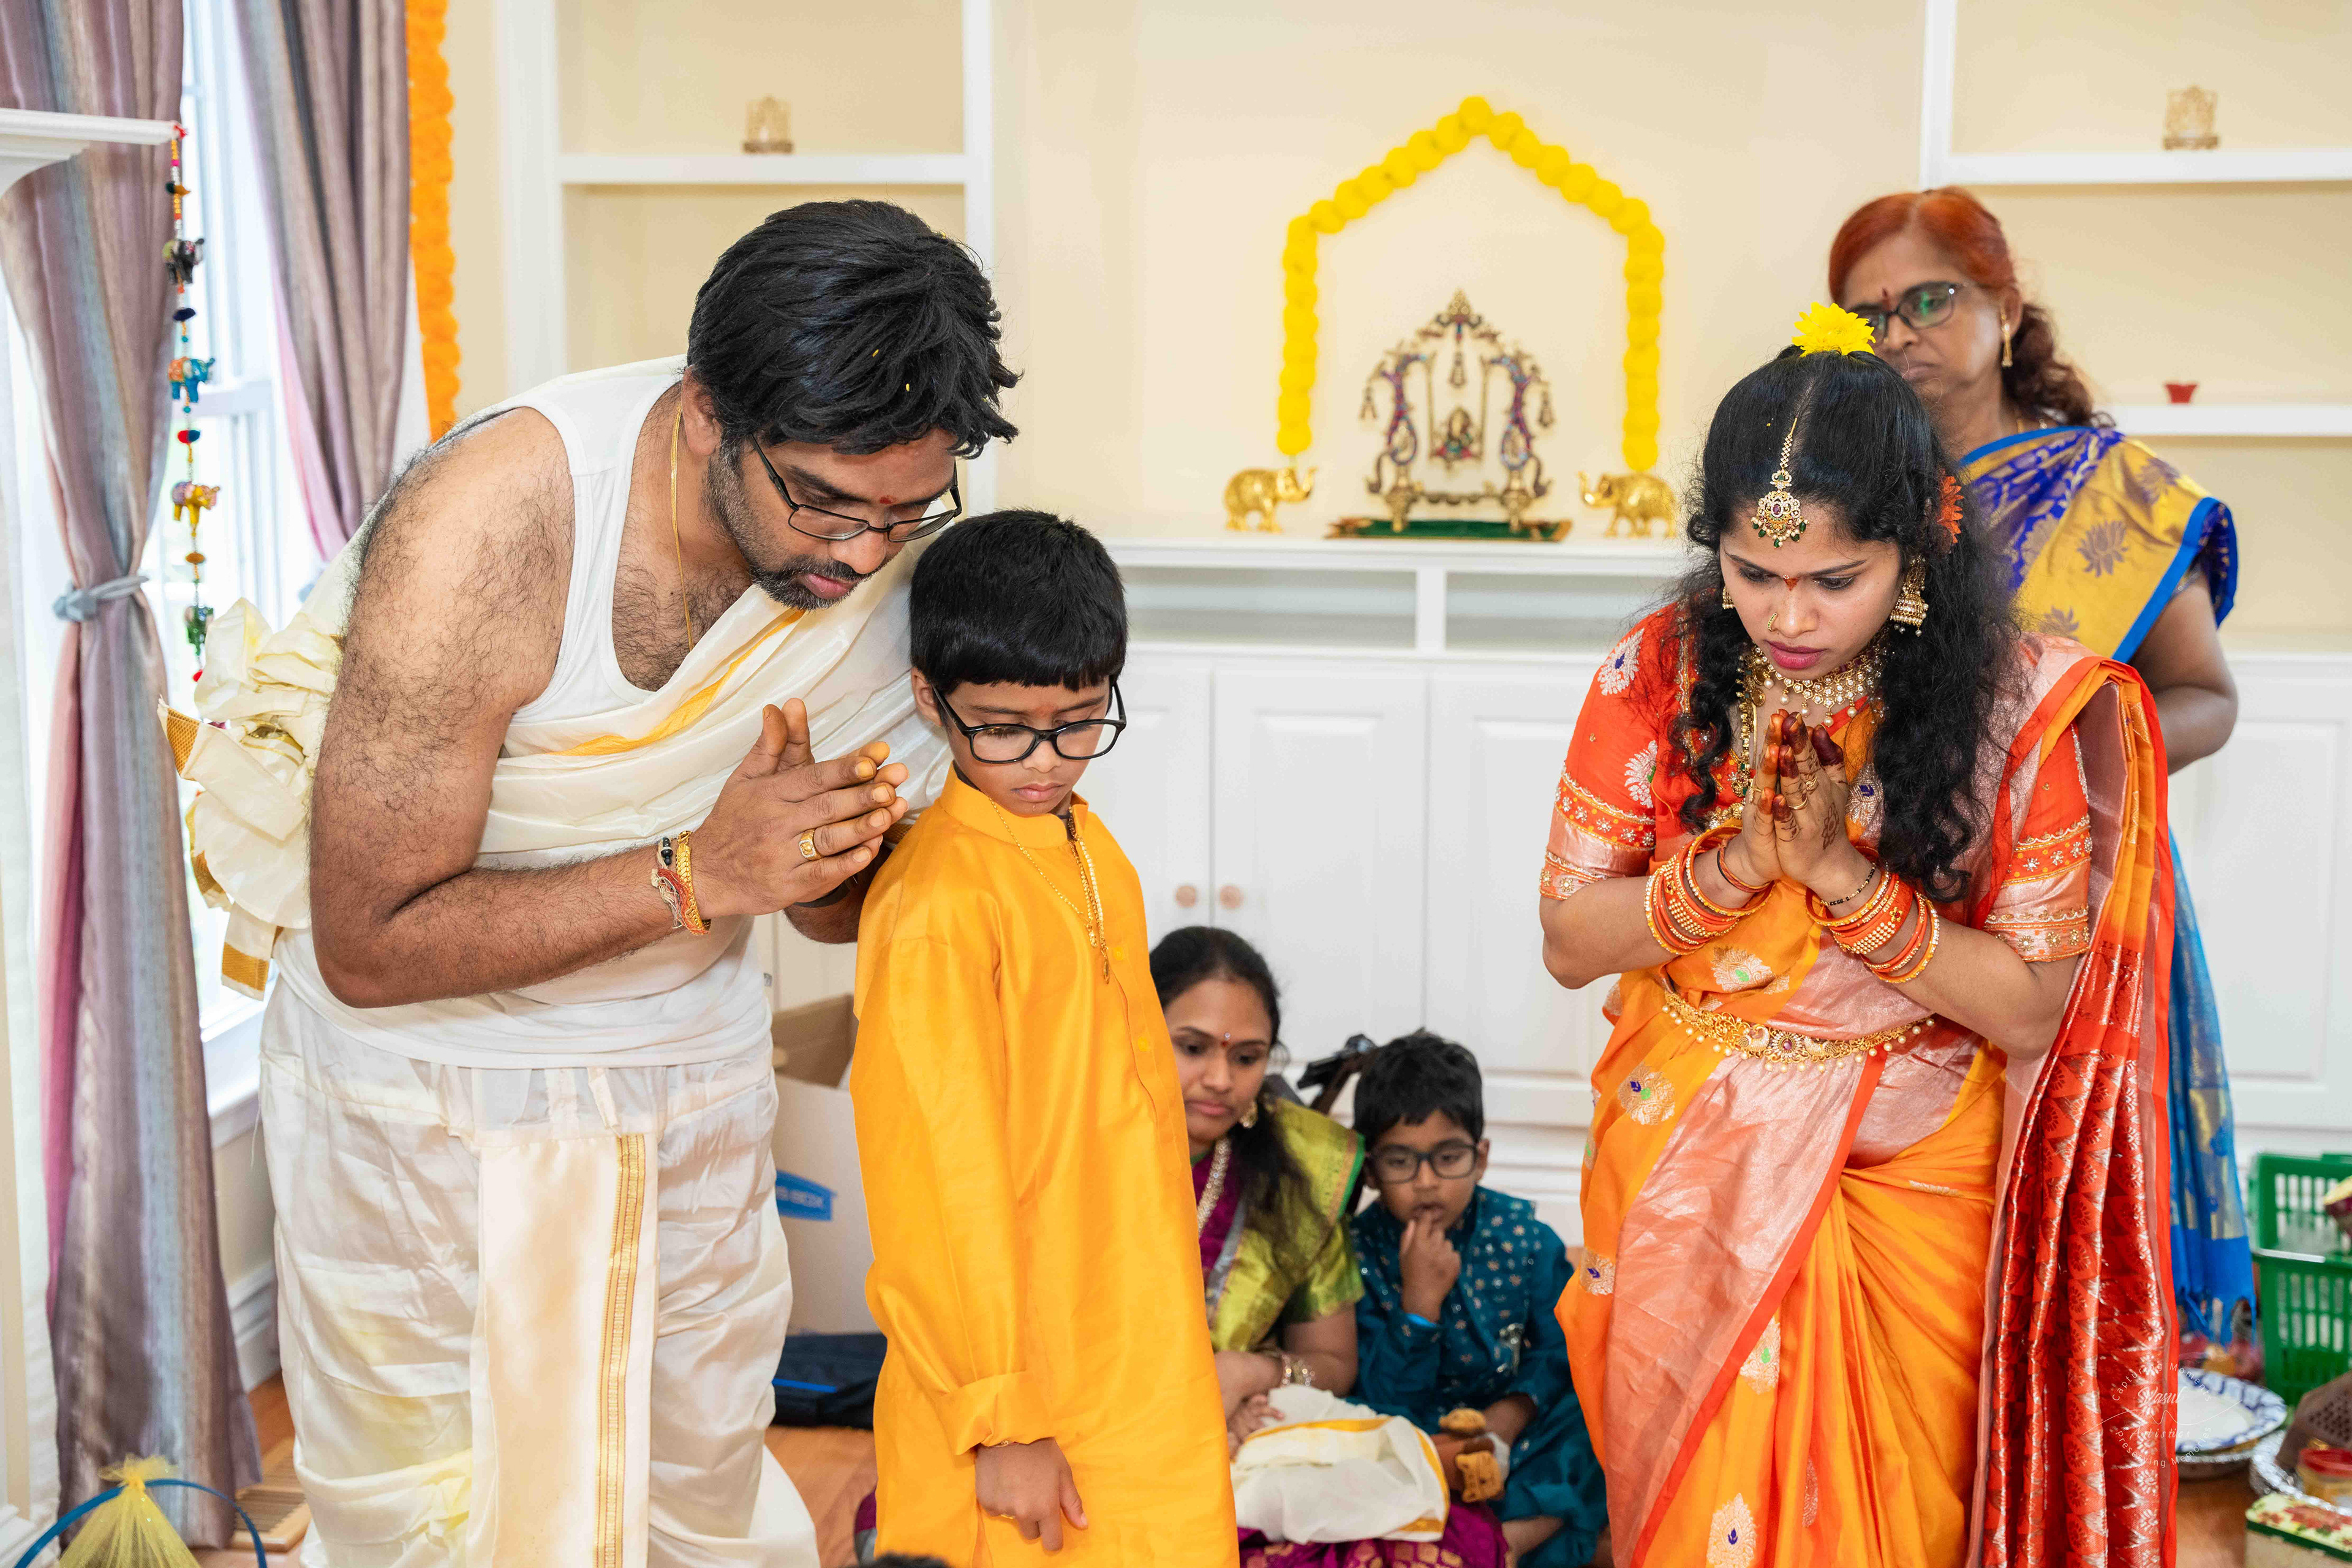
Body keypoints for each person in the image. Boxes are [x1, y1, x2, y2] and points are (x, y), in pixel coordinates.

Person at [182, 199, 1017, 1567]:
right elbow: (368, 943)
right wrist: (699, 872)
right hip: (424, 1109)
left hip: (687, 1080)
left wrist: (833, 847)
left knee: (691, 1498)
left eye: (905, 511)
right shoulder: (494, 526)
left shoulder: (884, 560)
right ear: (706, 413)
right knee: (441, 1517)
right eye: (825, 502)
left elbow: (819, 912)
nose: (866, 554)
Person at [1537, 311, 2176, 1567]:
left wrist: (1842, 878)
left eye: (1836, 580)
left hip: (1909, 1170)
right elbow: (1569, 938)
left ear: (1918, 545)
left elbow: (2031, 1006)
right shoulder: (1657, 672)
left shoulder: (2008, 707)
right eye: (1752, 571)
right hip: (1686, 1146)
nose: (1788, 613)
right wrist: (1738, 866)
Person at [1830, 186, 2253, 1349]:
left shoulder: (2115, 494)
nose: (1898, 333)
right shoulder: (1854, 492)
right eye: (1867, 314)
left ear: (2005, 308)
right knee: (1927, 1261)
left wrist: (2052, 763)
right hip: (1897, 896)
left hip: (2084, 888)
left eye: (1929, 300)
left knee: (2076, 1223)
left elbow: (2207, 698)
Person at [851, 513, 1235, 1564]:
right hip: (1019, 1399)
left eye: (1077, 722)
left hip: (1131, 1346)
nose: (1045, 760)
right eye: (1003, 728)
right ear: (930, 699)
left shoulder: (1089, 845)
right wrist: (1002, 1416)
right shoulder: (938, 907)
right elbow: (939, 1185)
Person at [1348, 1032, 1606, 1568]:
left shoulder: (1524, 1239)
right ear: (1371, 1171)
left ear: (1481, 1158)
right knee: (1351, 1441)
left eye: (1448, 1157)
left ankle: (1511, 1541)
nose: (1426, 1183)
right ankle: (1475, 1538)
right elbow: (1381, 1396)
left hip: (1513, 1429)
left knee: (1599, 1409)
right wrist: (1419, 1307)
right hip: (1417, 1436)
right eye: (1400, 1162)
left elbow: (1561, 1350)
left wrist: (1508, 1418)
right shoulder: (1358, 1255)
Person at [1151, 925, 1362, 1454]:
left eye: (1246, 1058)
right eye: (1193, 1048)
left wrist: (1254, 1374)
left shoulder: (1302, 1168)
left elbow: (1335, 1362)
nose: (1221, 1080)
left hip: (1240, 1443)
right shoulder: (1066, 1149)